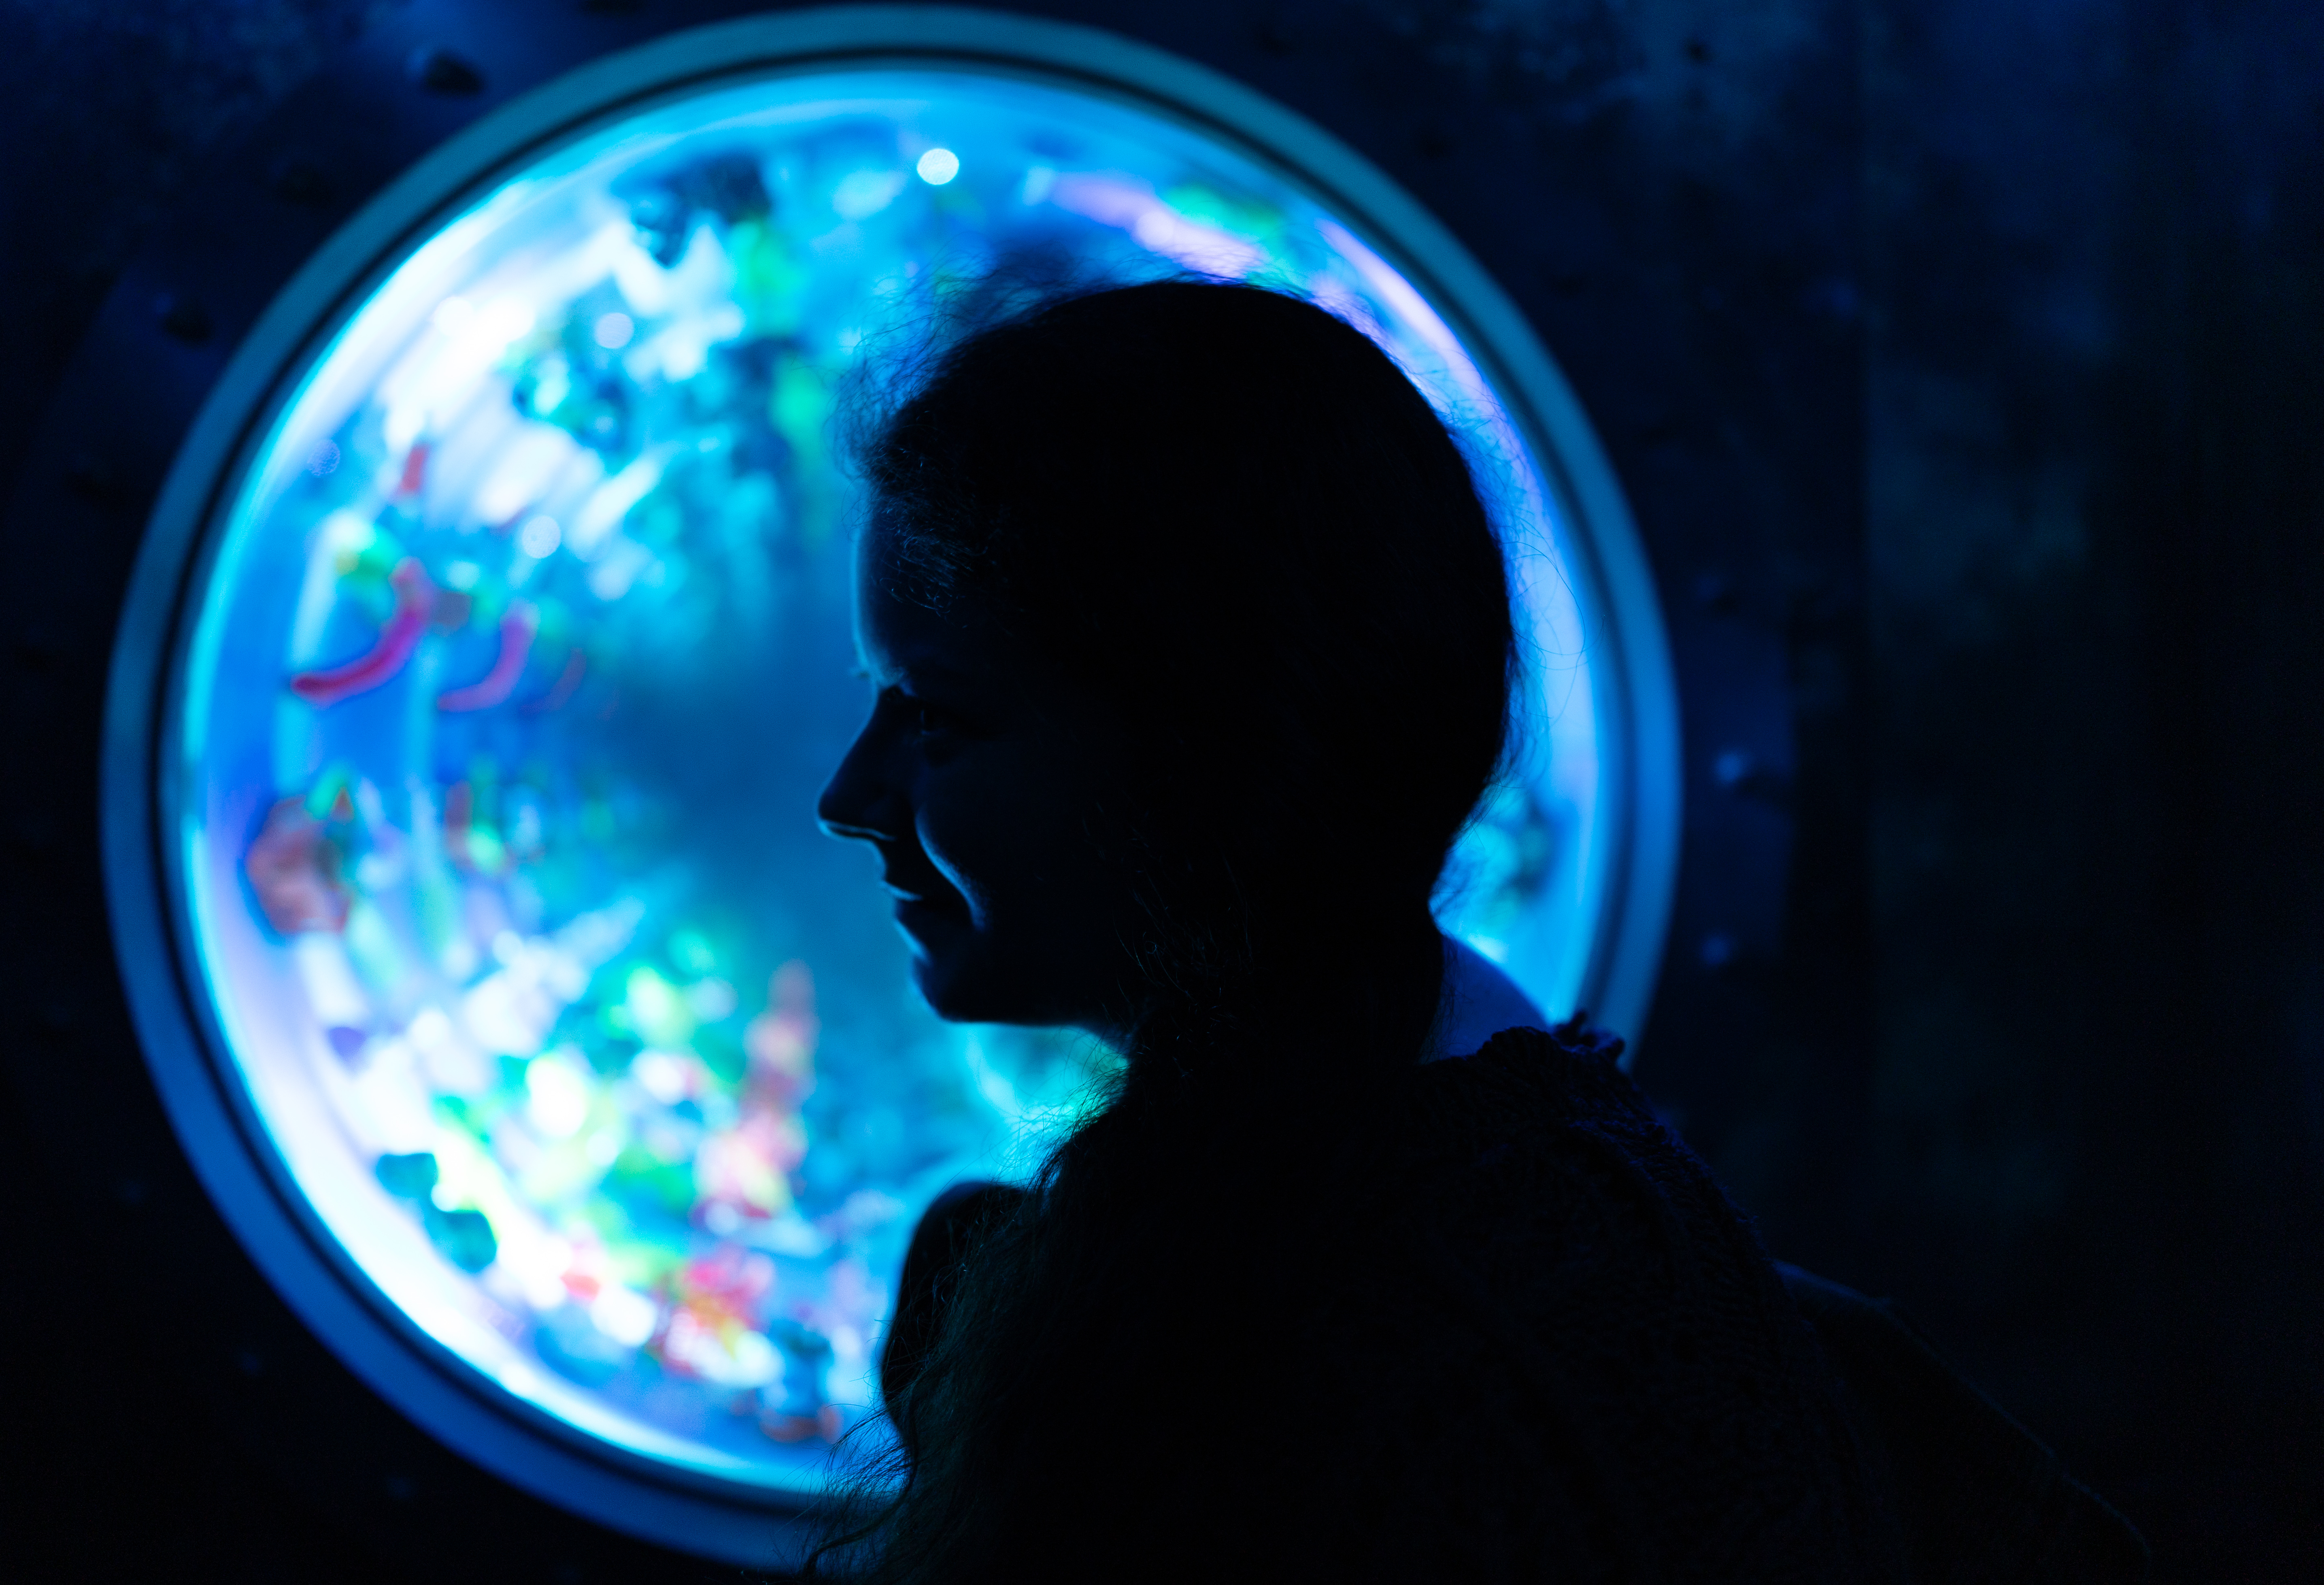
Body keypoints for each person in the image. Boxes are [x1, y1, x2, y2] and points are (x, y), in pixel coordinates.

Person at [810, 281, 2143, 1582]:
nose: (847, 800)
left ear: (1204, 750)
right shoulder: (1563, 1228)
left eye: (938, 717)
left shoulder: (1341, 1362)